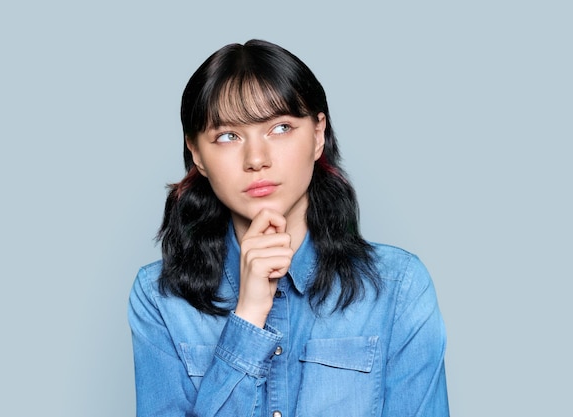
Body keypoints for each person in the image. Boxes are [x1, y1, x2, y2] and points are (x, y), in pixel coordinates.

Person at [128, 39, 449, 417]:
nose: (256, 159)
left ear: (317, 135)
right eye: (228, 136)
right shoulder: (161, 299)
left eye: (280, 127)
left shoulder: (399, 288)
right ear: (196, 153)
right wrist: (248, 316)